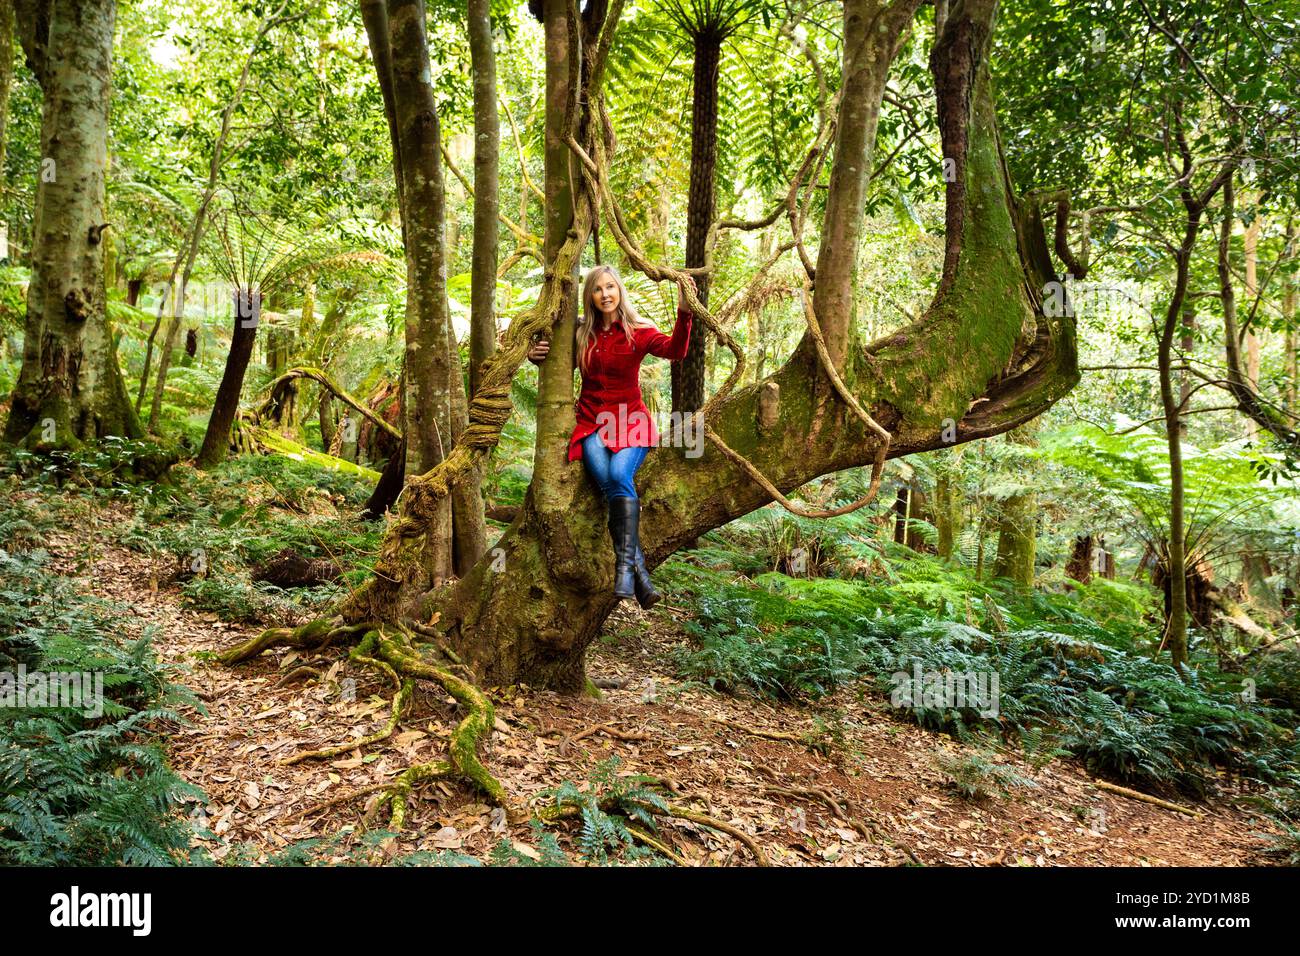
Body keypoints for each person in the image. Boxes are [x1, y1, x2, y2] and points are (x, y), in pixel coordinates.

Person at [527, 265, 694, 607]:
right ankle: (639, 571)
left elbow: (676, 350)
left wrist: (685, 310)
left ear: (619, 291)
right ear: (589, 295)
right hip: (590, 423)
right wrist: (534, 355)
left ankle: (624, 568)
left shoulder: (637, 331)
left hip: (631, 421)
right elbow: (552, 362)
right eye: (597, 289)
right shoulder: (578, 334)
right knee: (607, 479)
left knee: (619, 474)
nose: (605, 294)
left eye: (610, 287)